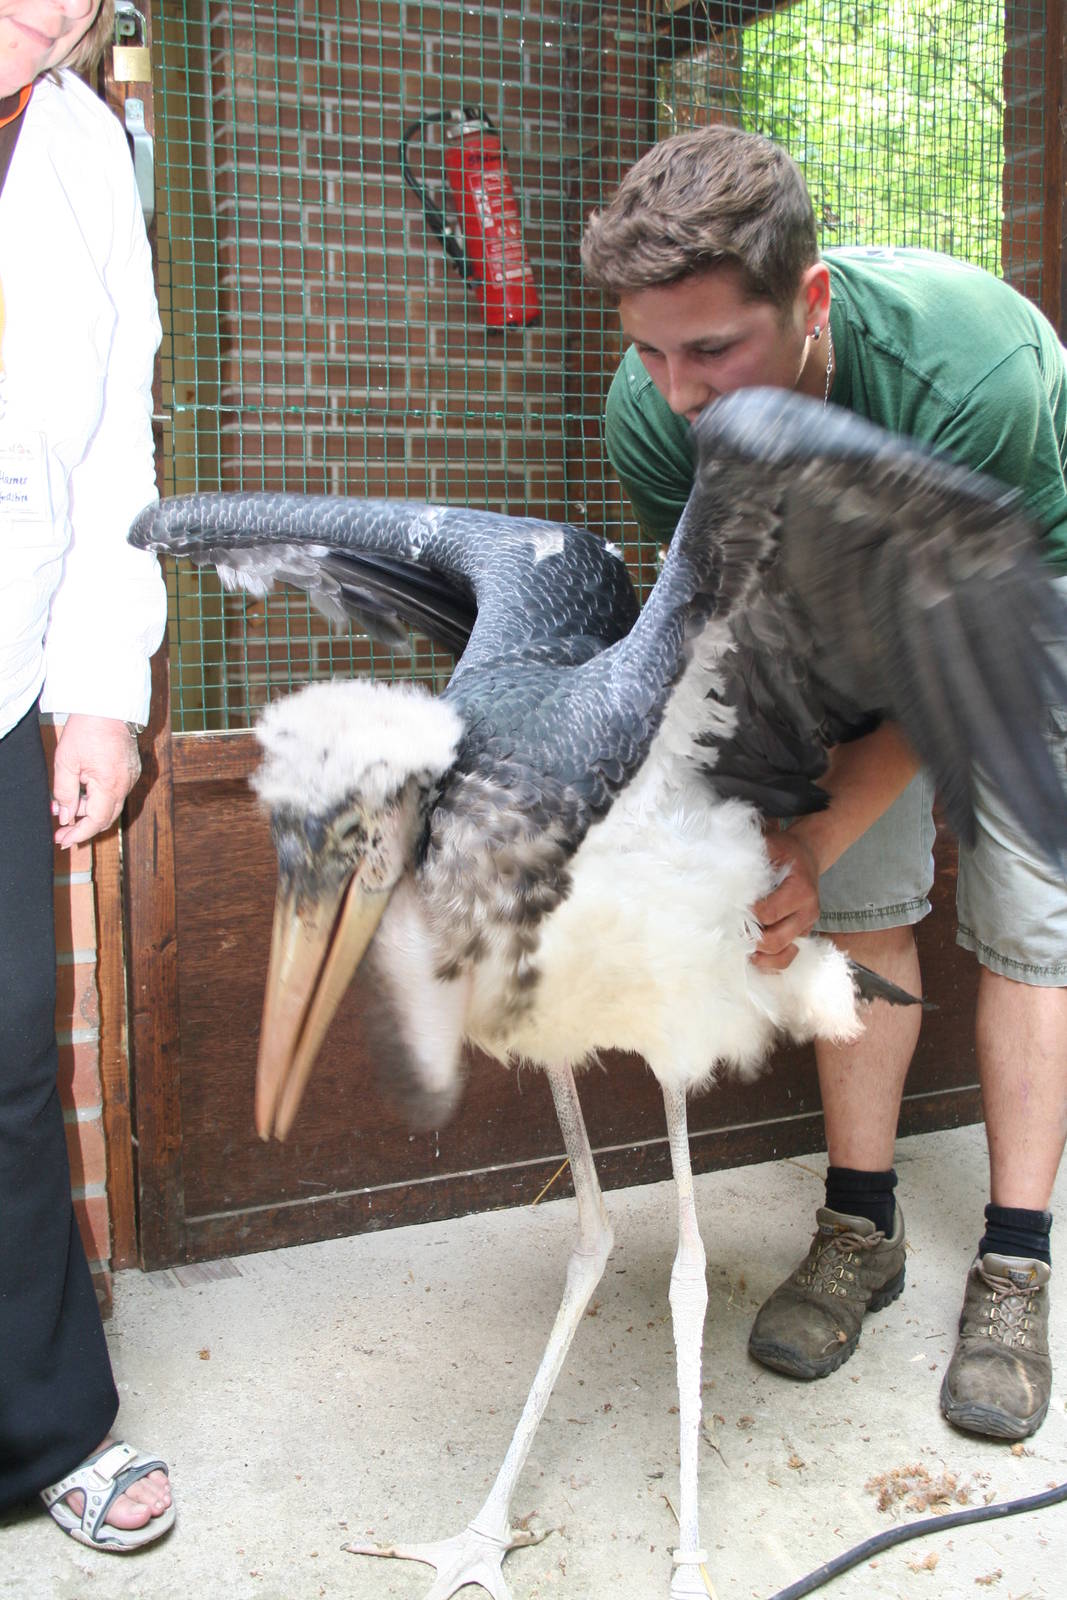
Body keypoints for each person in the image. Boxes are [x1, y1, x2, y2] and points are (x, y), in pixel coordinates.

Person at [580, 123, 1067, 1441]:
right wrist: (777, 831)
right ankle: (864, 1229)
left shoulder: (975, 373)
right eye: (648, 347)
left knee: (1030, 907)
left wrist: (817, 831)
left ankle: (1015, 1262)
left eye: (713, 350)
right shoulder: (656, 414)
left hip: (1021, 586)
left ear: (809, 306)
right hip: (824, 585)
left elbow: (950, 661)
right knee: (856, 896)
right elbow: (737, 627)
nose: (676, 390)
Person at [0, 0, 173, 1550]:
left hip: (3, 660)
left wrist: (99, 692)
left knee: (4, 1050)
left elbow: (118, 432)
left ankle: (45, 1426)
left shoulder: (82, 144)